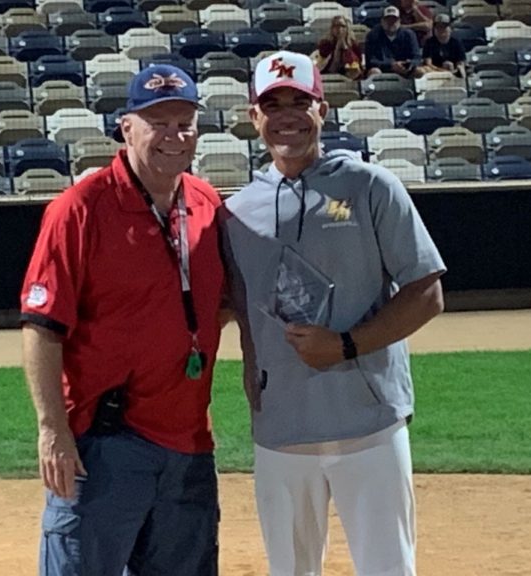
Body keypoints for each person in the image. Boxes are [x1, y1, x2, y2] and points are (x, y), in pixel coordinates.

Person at [220, 50, 446, 576]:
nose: (287, 116)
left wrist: (344, 345)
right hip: (281, 429)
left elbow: (427, 292)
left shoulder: (370, 186)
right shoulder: (234, 212)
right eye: (272, 104)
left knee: (387, 567)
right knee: (291, 570)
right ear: (254, 118)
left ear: (323, 108)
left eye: (300, 101)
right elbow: (233, 307)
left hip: (367, 422)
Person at [21, 64, 225, 576]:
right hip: (105, 443)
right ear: (126, 126)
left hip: (189, 446)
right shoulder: (79, 210)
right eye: (159, 122)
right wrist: (52, 431)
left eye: (186, 122)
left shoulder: (206, 204)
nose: (175, 136)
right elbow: (42, 329)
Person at [365, 5, 424, 78]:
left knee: (420, 72)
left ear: (399, 21)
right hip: (383, 69)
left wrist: (408, 64)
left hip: (405, 70)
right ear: (382, 21)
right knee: (374, 72)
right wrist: (391, 65)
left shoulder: (409, 35)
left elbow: (417, 57)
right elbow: (371, 61)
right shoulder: (373, 35)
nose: (391, 22)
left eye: (394, 19)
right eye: (388, 19)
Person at [312, 15, 364, 79]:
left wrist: (345, 47)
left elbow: (354, 64)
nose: (339, 29)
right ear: (332, 29)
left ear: (347, 28)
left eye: (342, 26)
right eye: (336, 26)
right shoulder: (325, 44)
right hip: (329, 76)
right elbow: (330, 68)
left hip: (350, 76)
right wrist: (337, 49)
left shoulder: (354, 44)